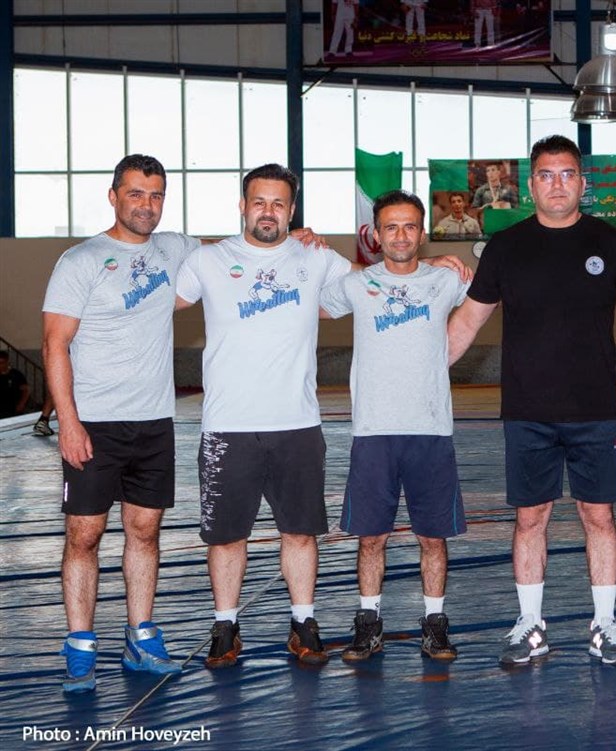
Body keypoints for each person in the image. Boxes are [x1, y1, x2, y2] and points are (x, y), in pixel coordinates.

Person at [448, 135, 616, 666]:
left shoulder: (615, 244)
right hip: (528, 411)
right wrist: (420, 374)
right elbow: (467, 322)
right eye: (546, 174)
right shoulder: (505, 247)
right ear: (530, 185)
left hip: (595, 410)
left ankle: (605, 624)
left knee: (599, 517)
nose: (557, 184)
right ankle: (530, 623)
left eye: (567, 174)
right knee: (530, 518)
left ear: (583, 183)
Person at [175, 164, 354, 669]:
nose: (268, 212)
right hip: (228, 427)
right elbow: (152, 306)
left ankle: (304, 622)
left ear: (292, 210)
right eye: (259, 202)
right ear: (242, 206)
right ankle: (225, 625)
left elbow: (378, 283)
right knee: (226, 535)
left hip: (297, 424)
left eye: (278, 203)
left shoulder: (316, 257)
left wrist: (437, 265)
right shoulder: (207, 260)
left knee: (300, 531)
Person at [42, 154, 197, 692]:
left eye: (156, 195)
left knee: (145, 531)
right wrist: (69, 423)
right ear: (113, 197)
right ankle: (80, 644)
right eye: (135, 194)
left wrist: (298, 238)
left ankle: (141, 636)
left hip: (153, 421)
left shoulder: (174, 248)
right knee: (84, 534)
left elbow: (235, 252)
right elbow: (54, 344)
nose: (146, 205)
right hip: (95, 423)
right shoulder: (81, 260)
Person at [320, 190, 470, 663]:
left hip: (431, 429)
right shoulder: (355, 284)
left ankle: (435, 624)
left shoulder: (446, 280)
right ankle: (368, 624)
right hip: (373, 432)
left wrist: (453, 262)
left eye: (409, 226)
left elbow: (491, 294)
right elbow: (301, 302)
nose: (401, 235)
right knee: (371, 537)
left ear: (422, 233)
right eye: (391, 227)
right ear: (376, 235)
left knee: (433, 537)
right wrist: (303, 244)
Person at [0, 350, 30, 417]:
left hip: (13, 408)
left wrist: (22, 403)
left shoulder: (16, 374)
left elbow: (26, 390)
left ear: (7, 362)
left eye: (2, 363)